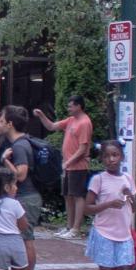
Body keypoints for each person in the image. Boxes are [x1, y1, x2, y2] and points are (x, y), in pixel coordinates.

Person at [80, 140, 136, 270]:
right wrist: (108, 204)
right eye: (107, 156)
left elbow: (135, 208)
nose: (111, 159)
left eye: (115, 155)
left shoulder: (128, 179)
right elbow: (88, 208)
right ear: (102, 158)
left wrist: (130, 195)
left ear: (121, 156)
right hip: (104, 232)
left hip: (124, 234)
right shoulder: (99, 179)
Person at [36, 95, 96, 235]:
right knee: (68, 195)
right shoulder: (71, 120)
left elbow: (83, 148)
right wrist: (41, 115)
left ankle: (76, 228)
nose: (68, 108)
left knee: (77, 195)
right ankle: (69, 227)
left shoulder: (84, 123)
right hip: (68, 166)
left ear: (78, 106)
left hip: (78, 166)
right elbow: (51, 126)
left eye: (70, 106)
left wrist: (69, 162)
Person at [0, 107, 44, 265]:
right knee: (21, 239)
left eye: (1, 121)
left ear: (10, 124)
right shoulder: (21, 142)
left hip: (26, 198)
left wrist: (5, 160)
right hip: (26, 197)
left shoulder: (19, 146)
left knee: (26, 241)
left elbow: (20, 175)